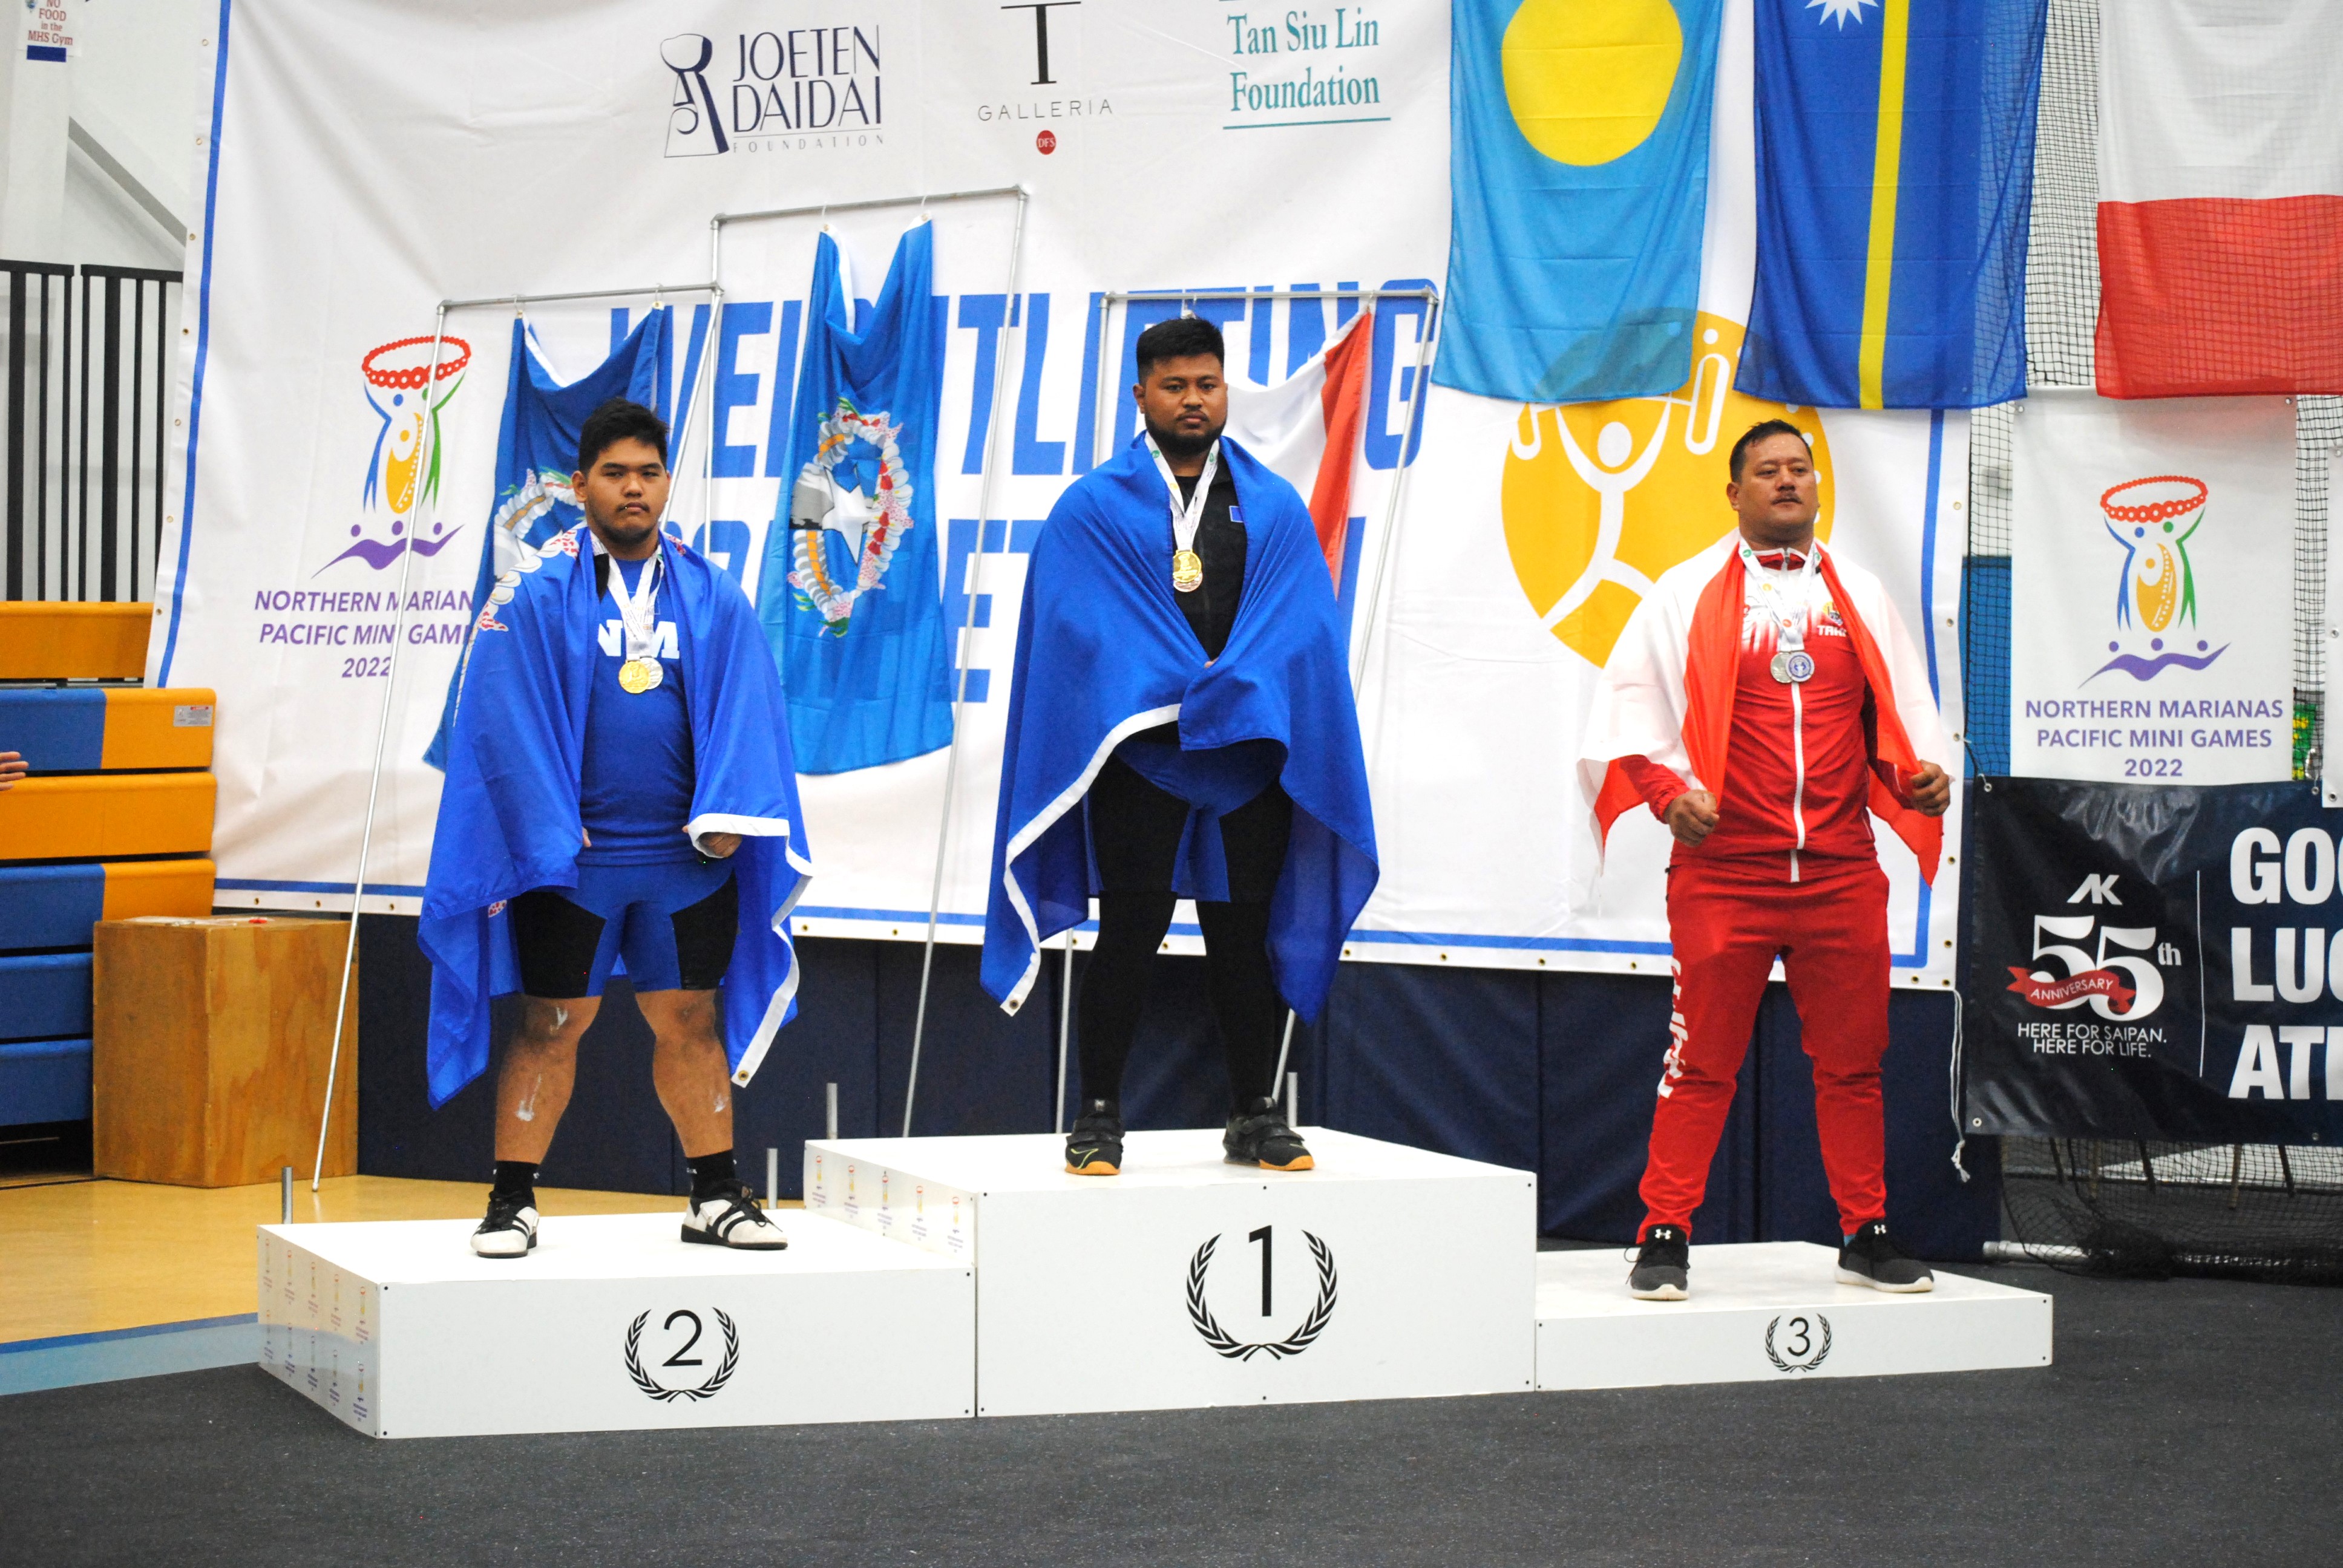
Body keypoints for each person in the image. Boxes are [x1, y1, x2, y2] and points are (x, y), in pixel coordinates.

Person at [980, 316, 1378, 1177]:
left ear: (1225, 390)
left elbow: (1304, 626)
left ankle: (1254, 1112)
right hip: (1144, 757)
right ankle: (1098, 1116)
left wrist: (1241, 680)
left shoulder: (1272, 505)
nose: (1193, 400)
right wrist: (1163, 678)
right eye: (1174, 387)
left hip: (1243, 760)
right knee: (1130, 930)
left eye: (1207, 384)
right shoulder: (1093, 507)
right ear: (1142, 395)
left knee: (1243, 936)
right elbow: (1071, 625)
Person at [419, 398, 813, 1259]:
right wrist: (547, 824)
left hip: (684, 859)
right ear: (580, 485)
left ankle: (715, 1195)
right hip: (576, 860)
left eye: (648, 473)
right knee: (553, 1022)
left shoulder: (710, 591)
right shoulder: (532, 592)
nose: (634, 489)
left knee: (691, 1019)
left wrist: (729, 813)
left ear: (667, 483)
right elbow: (496, 717)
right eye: (615, 474)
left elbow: (753, 705)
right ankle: (511, 1202)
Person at [1579, 419, 1953, 1300]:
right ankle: (1664, 1233)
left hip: (1839, 872)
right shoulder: (1682, 593)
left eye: (1800, 469)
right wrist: (1668, 797)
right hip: (1726, 874)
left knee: (1854, 1065)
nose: (1788, 481)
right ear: (1734, 492)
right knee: (1700, 1063)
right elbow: (1628, 715)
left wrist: (1919, 782)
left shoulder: (1860, 595)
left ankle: (1866, 1233)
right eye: (1768, 471)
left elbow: (1893, 726)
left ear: (1818, 486)